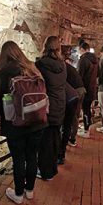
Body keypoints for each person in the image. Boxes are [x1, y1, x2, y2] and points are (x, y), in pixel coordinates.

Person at [0, 41, 46, 204]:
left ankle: (18, 194)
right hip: (37, 120)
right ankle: (29, 190)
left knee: (18, 159)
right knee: (32, 156)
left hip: (15, 124)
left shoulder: (3, 71)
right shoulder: (32, 67)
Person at [36, 36, 66, 179]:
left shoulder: (41, 64)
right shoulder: (62, 64)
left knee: (44, 140)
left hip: (47, 104)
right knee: (54, 136)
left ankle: (45, 171)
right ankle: (52, 169)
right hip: (60, 102)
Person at [62, 46, 85, 147]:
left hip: (75, 92)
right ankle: (72, 138)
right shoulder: (70, 67)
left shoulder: (63, 67)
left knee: (72, 116)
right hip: (81, 90)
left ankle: (70, 138)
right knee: (75, 115)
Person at [77, 42, 98, 138]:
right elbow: (98, 74)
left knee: (85, 109)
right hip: (92, 88)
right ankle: (86, 128)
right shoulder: (96, 60)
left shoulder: (83, 60)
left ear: (82, 49)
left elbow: (79, 76)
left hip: (84, 88)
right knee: (87, 109)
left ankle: (86, 131)